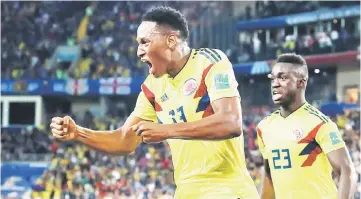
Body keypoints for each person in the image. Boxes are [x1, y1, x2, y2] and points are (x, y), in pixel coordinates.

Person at [50, 6, 259, 199]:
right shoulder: (152, 87)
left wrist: (166, 130)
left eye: (144, 42)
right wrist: (79, 133)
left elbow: (230, 122)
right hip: (187, 192)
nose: (139, 51)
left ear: (171, 40)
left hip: (228, 189)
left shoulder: (209, 61)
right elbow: (125, 140)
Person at [257, 53, 357, 199]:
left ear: (301, 83)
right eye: (273, 78)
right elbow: (269, 176)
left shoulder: (320, 123)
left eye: (283, 78)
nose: (275, 83)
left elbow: (347, 171)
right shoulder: (264, 126)